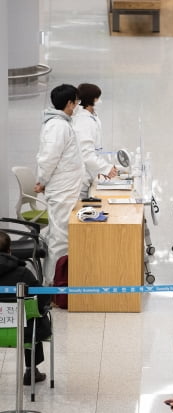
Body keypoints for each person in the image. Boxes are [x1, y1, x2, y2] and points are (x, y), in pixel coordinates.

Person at [35, 84, 85, 284]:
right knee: (60, 239)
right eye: (76, 102)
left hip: (66, 189)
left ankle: (58, 280)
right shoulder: (57, 126)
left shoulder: (62, 123)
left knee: (61, 235)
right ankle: (54, 284)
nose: (77, 106)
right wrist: (42, 181)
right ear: (69, 104)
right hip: (62, 191)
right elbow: (48, 158)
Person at [0, 231, 52, 385]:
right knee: (33, 318)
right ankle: (31, 371)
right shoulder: (23, 273)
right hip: (23, 332)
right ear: (10, 250)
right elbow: (42, 298)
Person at [73, 83, 117, 198]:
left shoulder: (91, 117)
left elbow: (96, 149)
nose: (100, 101)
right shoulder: (83, 122)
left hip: (90, 175)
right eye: (98, 98)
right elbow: (86, 154)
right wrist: (106, 168)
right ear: (91, 99)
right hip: (80, 181)